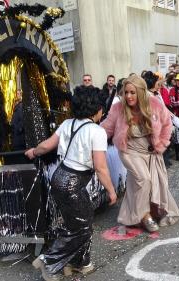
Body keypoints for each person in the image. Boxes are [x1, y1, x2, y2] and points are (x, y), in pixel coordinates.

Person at [26, 86, 117, 281]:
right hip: (72, 183)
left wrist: (33, 152)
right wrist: (111, 191)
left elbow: (46, 146)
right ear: (97, 109)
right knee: (82, 227)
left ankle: (79, 263)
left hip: (59, 178)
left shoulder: (68, 123)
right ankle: (48, 261)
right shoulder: (97, 131)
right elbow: (101, 168)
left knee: (78, 223)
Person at [101, 75, 179, 233]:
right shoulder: (118, 108)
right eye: (126, 92)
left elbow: (167, 123)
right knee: (144, 179)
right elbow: (105, 128)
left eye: (132, 92)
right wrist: (85, 131)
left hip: (150, 150)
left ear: (141, 92)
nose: (128, 96)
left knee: (150, 182)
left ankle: (140, 213)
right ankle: (144, 215)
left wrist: (162, 143)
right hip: (129, 150)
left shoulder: (154, 104)